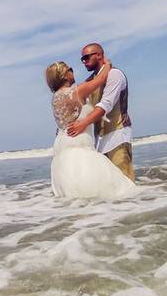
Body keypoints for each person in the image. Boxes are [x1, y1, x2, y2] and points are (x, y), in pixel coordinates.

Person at [45, 58, 137, 198]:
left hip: (62, 147)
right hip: (79, 143)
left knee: (74, 191)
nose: (72, 71)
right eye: (70, 69)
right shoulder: (77, 91)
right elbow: (101, 78)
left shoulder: (55, 97)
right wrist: (107, 63)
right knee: (108, 187)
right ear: (64, 75)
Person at [66, 43, 134, 182]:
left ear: (98, 55)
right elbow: (80, 107)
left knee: (126, 183)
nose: (84, 61)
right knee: (108, 186)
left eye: (86, 57)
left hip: (117, 134)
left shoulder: (114, 74)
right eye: (82, 59)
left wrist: (82, 124)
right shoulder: (91, 81)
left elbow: (105, 105)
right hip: (99, 141)